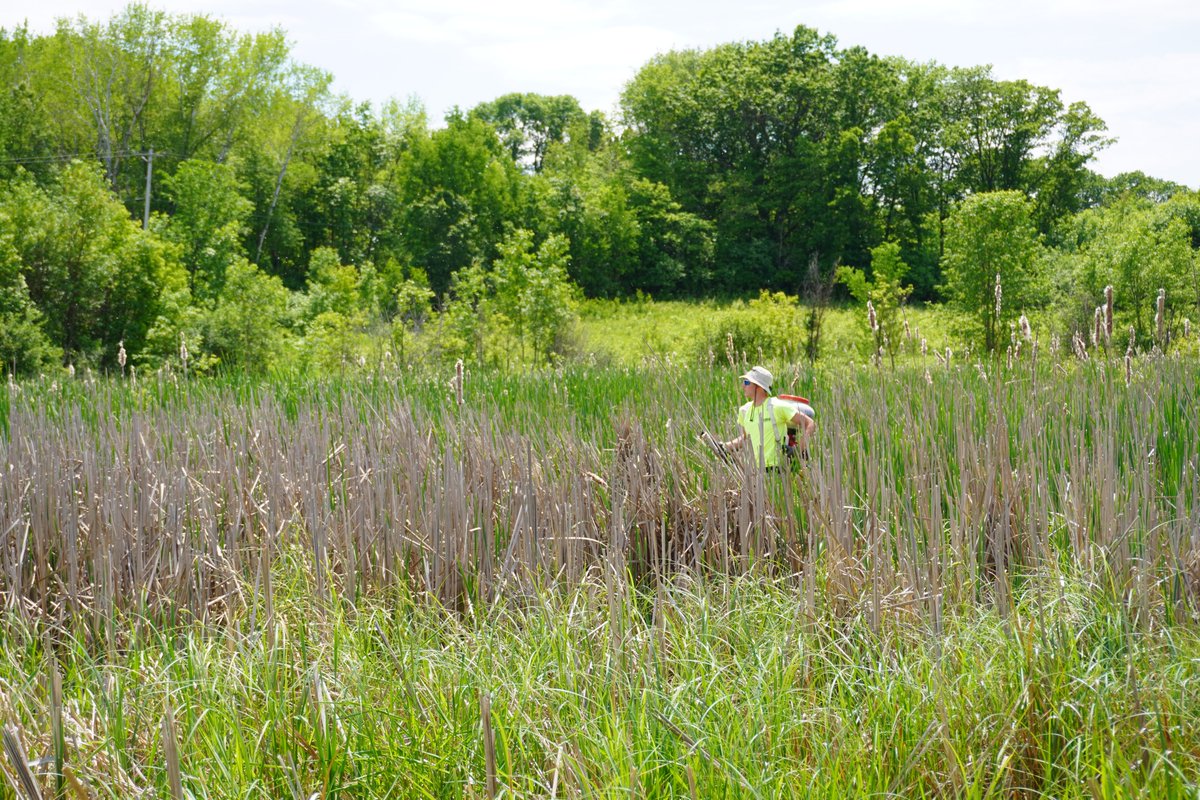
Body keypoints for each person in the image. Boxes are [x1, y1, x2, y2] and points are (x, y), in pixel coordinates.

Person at [718, 365, 814, 469]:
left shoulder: (777, 406)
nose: (742, 386)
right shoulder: (745, 411)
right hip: (757, 471)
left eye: (746, 382)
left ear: (759, 386)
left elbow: (810, 423)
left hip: (778, 471)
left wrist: (798, 450)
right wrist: (725, 446)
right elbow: (745, 438)